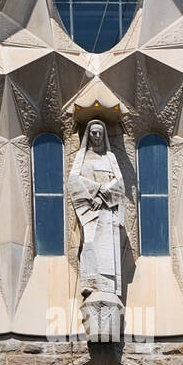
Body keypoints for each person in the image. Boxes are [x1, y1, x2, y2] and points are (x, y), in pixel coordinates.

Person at [68, 118, 125, 300]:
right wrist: (97, 191)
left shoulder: (110, 158)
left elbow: (120, 184)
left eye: (100, 133)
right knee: (91, 243)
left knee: (108, 249)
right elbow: (74, 181)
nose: (97, 137)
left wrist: (103, 196)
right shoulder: (82, 157)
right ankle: (91, 283)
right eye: (94, 133)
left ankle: (108, 287)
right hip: (90, 210)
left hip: (107, 211)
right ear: (89, 135)